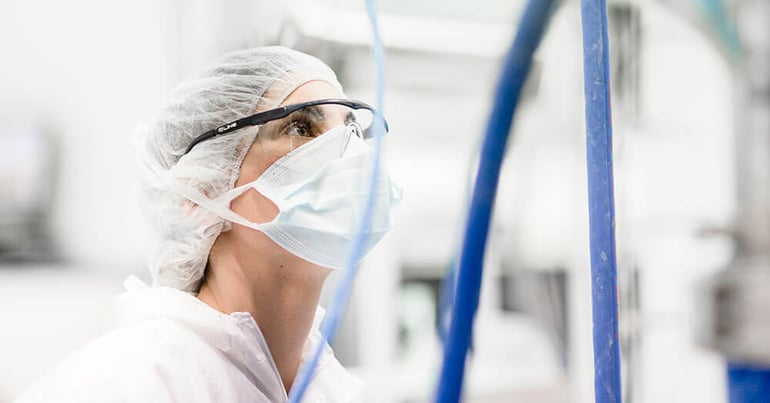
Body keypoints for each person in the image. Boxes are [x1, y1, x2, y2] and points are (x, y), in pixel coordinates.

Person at [15, 46, 400, 403]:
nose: (349, 156)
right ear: (202, 186)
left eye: (352, 130)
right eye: (300, 128)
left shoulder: (333, 389)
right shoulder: (121, 383)